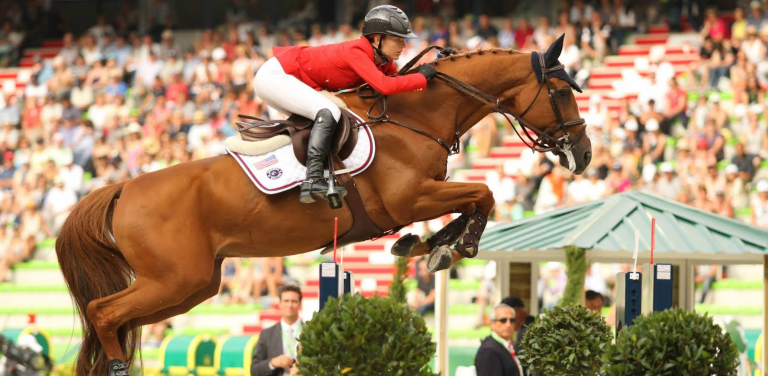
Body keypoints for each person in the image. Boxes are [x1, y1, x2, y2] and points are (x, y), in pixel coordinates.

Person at [252, 5, 443, 204]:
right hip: (276, 76)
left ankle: (304, 173)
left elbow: (400, 80)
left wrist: (440, 65)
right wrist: (422, 78)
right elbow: (386, 86)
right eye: (397, 39)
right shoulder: (357, 51)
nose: (403, 45)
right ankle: (313, 179)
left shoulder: (382, 60)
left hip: (293, 79)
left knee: (325, 114)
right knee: (328, 111)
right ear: (377, 39)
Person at [251, 285, 304, 376]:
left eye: (294, 301)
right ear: (280, 304)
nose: (290, 305)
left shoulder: (311, 331)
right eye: (286, 301)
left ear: (300, 304)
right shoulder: (267, 334)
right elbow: (254, 371)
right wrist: (272, 363)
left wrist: (304, 369)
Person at [475, 304, 524, 376]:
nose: (508, 324)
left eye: (512, 320)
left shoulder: (506, 345)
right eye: (503, 320)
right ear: (491, 323)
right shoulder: (489, 350)